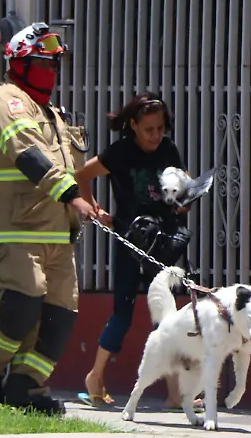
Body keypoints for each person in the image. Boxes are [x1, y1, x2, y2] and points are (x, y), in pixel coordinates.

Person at [0, 22, 97, 416]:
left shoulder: (53, 114)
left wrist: (89, 201)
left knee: (60, 314)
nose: (51, 73)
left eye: (55, 66)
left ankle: (26, 386)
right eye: (43, 64)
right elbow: (29, 157)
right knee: (23, 302)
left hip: (57, 235)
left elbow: (70, 167)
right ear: (19, 64)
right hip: (13, 230)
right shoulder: (7, 102)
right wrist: (72, 196)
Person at [74, 92, 199, 409]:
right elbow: (81, 175)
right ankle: (95, 377)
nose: (156, 136)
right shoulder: (120, 153)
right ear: (133, 126)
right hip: (132, 241)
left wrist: (184, 201)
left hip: (163, 242)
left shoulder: (168, 149)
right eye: (149, 130)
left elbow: (181, 191)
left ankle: (174, 394)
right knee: (123, 314)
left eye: (160, 128)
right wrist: (93, 207)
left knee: (166, 317)